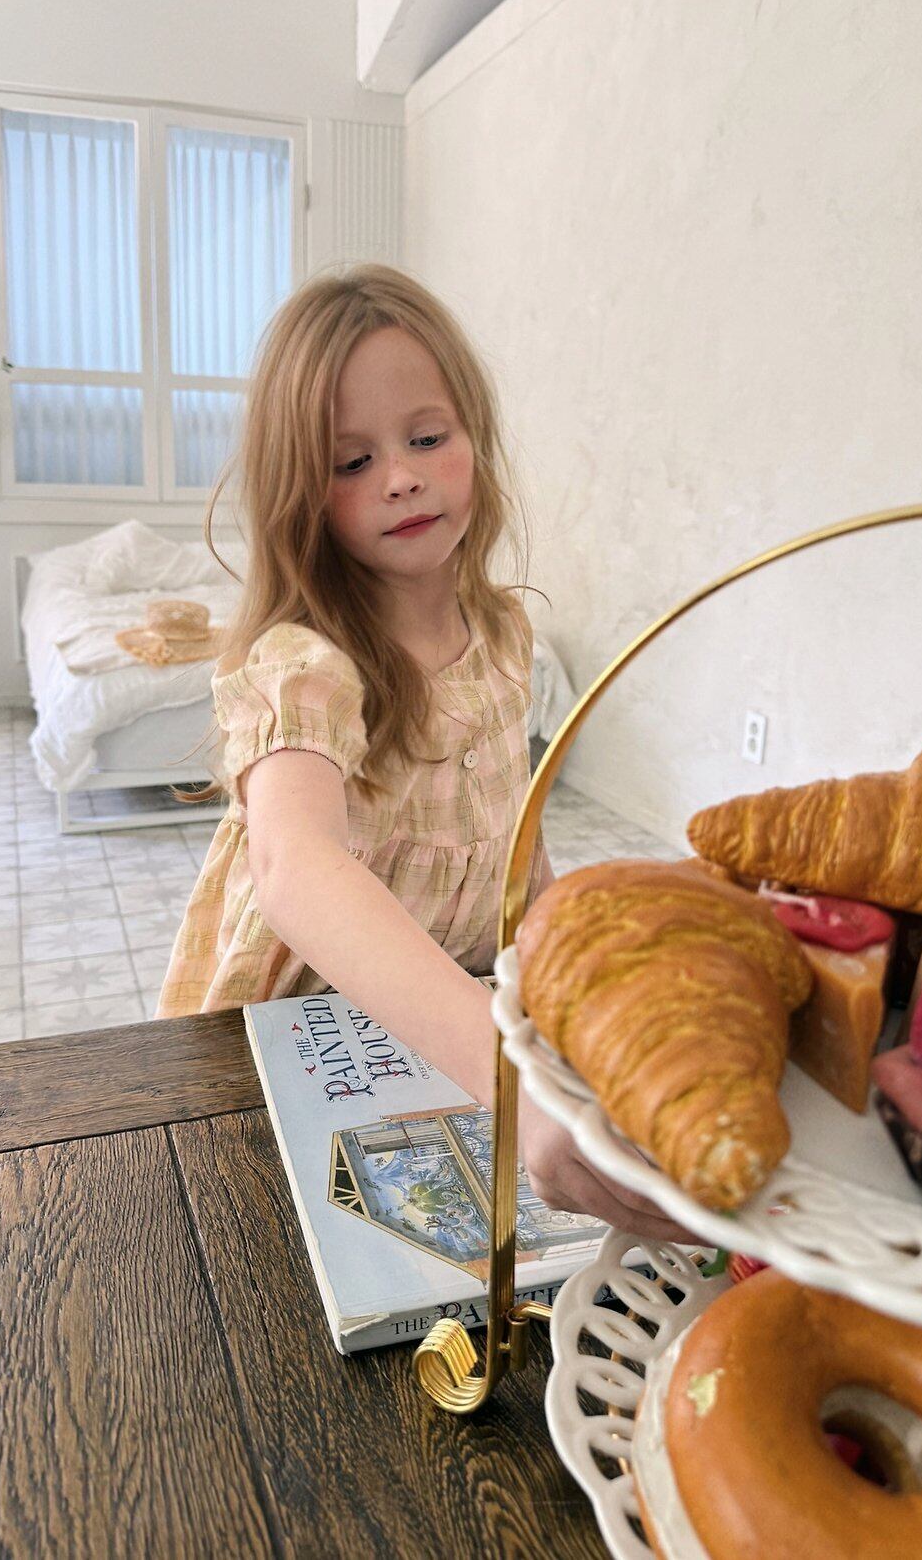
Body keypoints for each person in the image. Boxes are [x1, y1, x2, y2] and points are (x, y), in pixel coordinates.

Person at [157, 263, 683, 1238]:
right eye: (351, 461)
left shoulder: (505, 635)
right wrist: (507, 1079)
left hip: (447, 1027)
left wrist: (571, 966)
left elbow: (513, 836)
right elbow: (294, 865)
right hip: (293, 1056)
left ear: (473, 438)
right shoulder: (305, 663)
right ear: (299, 495)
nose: (398, 476)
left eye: (427, 439)